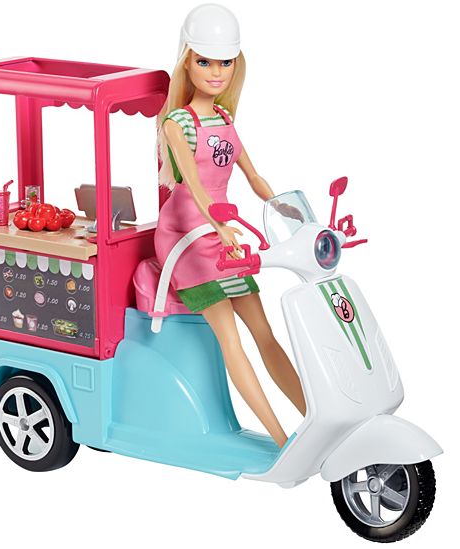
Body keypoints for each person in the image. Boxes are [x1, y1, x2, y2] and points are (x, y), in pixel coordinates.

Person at [155, 3, 305, 448]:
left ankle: (313, 419)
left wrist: (286, 208)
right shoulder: (177, 123)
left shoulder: (223, 119)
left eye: (225, 62)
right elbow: (195, 185)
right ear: (187, 62)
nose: (216, 72)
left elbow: (252, 175)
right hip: (186, 238)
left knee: (266, 335)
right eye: (205, 62)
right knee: (231, 339)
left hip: (225, 235)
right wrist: (217, 226)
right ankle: (281, 438)